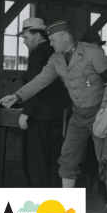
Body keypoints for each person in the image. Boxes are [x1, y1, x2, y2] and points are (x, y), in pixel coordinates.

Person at [0, 21, 107, 194]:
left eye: (53, 40)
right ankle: (65, 203)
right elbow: (39, 81)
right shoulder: (56, 59)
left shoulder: (93, 54)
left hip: (99, 114)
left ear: (65, 36)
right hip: (78, 116)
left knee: (105, 159)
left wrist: (105, 109)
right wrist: (17, 96)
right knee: (67, 158)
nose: (51, 43)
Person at [17, 18, 71, 187]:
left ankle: (38, 203)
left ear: (38, 36)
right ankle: (55, 202)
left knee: (37, 161)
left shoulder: (37, 54)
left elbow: (35, 84)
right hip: (59, 115)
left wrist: (26, 112)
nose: (24, 42)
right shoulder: (58, 53)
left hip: (39, 116)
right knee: (55, 159)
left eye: (26, 37)